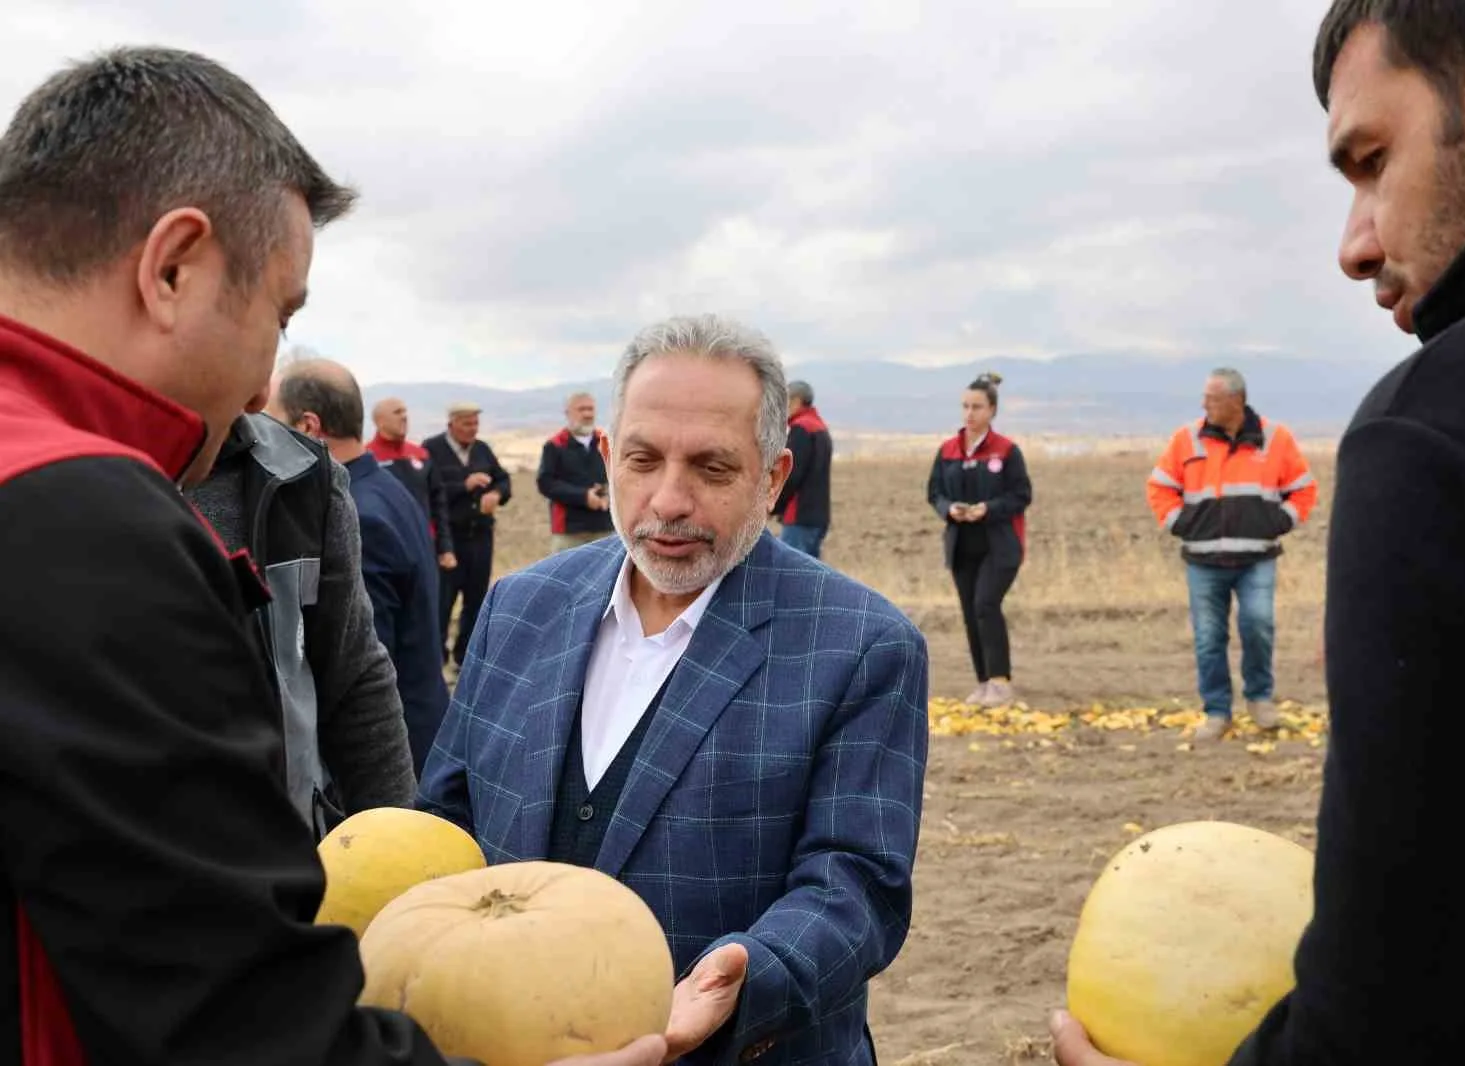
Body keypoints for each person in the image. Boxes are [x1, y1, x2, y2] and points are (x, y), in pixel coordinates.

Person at [0, 44, 663, 1066]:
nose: (271, 367)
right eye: (280, 310)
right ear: (174, 266)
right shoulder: (81, 519)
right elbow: (231, 1024)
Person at [1054, 1, 1465, 1063]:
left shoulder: (1454, 431)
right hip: (1205, 560)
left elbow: (1410, 1015)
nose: (1355, 244)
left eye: (1370, 158)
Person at [419, 313, 930, 1066]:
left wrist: (748, 976)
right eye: (643, 460)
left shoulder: (860, 645)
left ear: (774, 477)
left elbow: (855, 885)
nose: (668, 500)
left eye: (712, 469)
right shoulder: (519, 608)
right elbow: (447, 818)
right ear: (605, 456)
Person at [186, 410, 418, 835]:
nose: (260, 395)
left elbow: (355, 677)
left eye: (279, 338)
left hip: (294, 854)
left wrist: (398, 845)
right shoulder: (74, 475)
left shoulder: (303, 473)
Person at [271, 361, 452, 779]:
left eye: (274, 423)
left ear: (308, 426)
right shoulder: (384, 489)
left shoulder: (356, 515)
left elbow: (360, 668)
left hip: (392, 752)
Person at [1145, 369, 1318, 742]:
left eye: (1212, 398)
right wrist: (1180, 523)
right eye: (1205, 397)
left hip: (1257, 558)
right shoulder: (1187, 439)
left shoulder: (1275, 439)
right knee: (1209, 639)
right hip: (1203, 561)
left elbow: (1304, 489)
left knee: (1258, 626)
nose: (1204, 404)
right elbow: (1160, 486)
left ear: (1236, 402)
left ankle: (1259, 699)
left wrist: (1278, 521)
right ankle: (1217, 712)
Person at [926, 372, 1032, 708]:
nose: (969, 413)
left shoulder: (1006, 451)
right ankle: (983, 682)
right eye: (965, 407)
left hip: (1000, 546)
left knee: (986, 604)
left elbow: (1022, 495)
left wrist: (988, 509)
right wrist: (950, 509)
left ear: (992, 411)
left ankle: (1001, 683)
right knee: (971, 611)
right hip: (962, 546)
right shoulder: (948, 451)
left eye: (977, 407)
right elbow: (935, 492)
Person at [424, 401, 512, 669]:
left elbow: (504, 479)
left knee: (476, 600)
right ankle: (436, 659)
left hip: (481, 537)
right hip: (449, 540)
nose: (473, 429)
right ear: (451, 424)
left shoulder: (483, 449)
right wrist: (464, 485)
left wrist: (496, 494)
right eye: (467, 423)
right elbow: (429, 492)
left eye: (475, 423)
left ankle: (466, 659)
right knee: (442, 602)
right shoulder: (431, 449)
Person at [368, 395, 458, 572]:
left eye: (405, 411)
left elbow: (438, 504)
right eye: (397, 412)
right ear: (380, 422)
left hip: (424, 547)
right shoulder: (367, 458)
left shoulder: (421, 455)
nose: (404, 416)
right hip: (384, 550)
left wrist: (445, 548)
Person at [536, 390, 614, 554]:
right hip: (569, 532)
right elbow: (546, 483)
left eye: (590, 409)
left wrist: (609, 494)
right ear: (568, 413)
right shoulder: (555, 445)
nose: (587, 414)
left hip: (606, 527)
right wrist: (583, 496)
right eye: (581, 409)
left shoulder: (607, 442)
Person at [770, 379, 833, 558]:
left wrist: (773, 504)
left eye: (786, 401)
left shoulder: (801, 429)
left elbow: (790, 474)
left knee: (790, 576)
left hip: (799, 516)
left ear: (796, 400)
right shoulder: (820, 427)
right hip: (818, 516)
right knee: (810, 577)